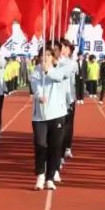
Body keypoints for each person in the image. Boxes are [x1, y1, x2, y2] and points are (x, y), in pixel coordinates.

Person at [30, 46, 70, 191]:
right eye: (42, 55)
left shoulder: (61, 69)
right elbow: (35, 86)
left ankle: (50, 177)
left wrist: (49, 71)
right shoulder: (35, 71)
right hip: (39, 116)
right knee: (41, 145)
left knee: (55, 147)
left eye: (48, 55)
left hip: (57, 114)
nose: (45, 58)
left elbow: (59, 77)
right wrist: (40, 96)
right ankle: (40, 175)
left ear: (53, 57)